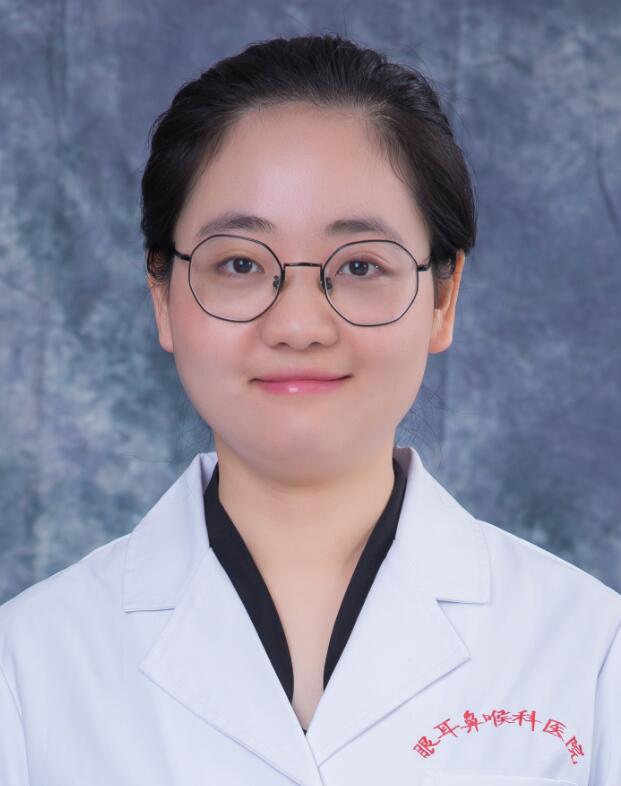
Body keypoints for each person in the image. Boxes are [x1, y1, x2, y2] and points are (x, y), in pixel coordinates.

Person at [0, 32, 618, 786]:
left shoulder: (590, 653)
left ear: (442, 297)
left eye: (359, 266)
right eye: (239, 263)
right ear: (162, 293)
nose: (297, 325)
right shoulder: (27, 666)